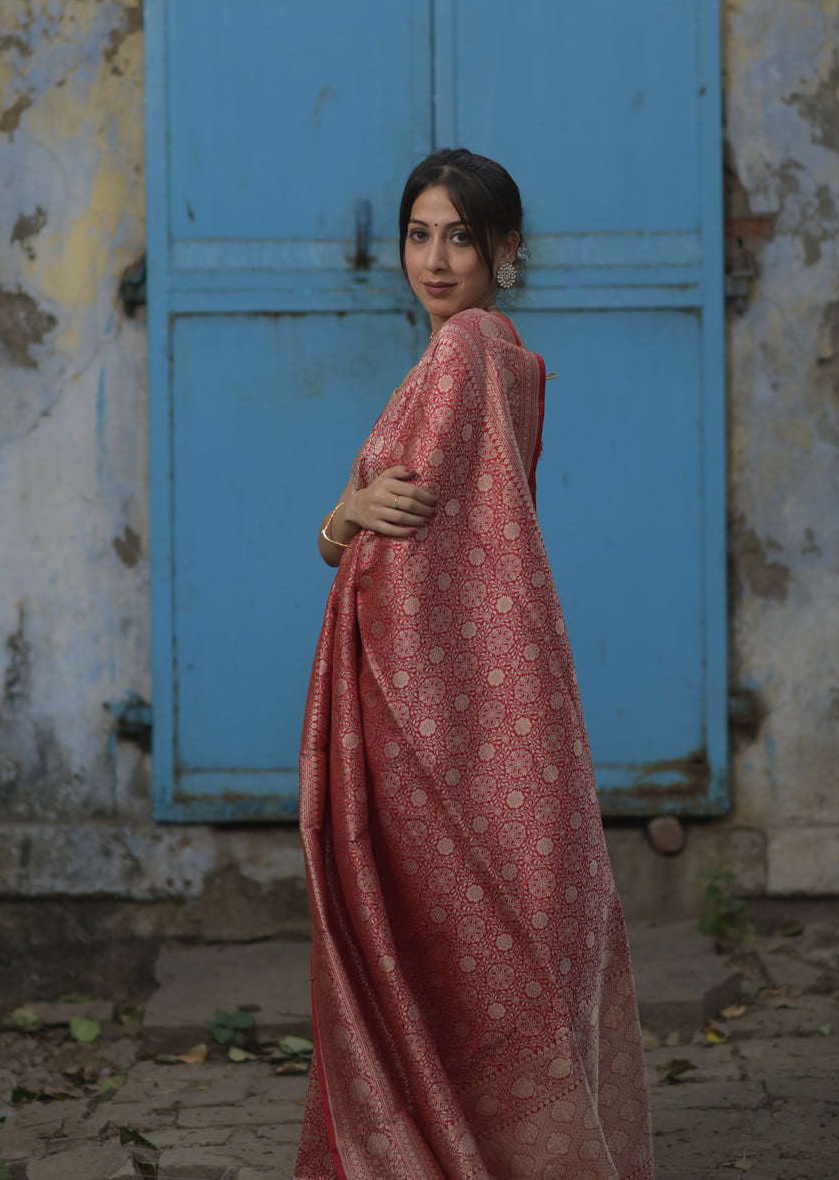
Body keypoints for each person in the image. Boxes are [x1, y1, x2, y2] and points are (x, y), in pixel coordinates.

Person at [296, 149, 654, 1180]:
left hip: (440, 700)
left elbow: (408, 547)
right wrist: (344, 514)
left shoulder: (467, 351)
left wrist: (355, 521)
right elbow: (366, 524)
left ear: (507, 250)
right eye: (419, 234)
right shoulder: (496, 356)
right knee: (489, 928)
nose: (436, 257)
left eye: (460, 235)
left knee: (455, 929)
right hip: (491, 693)